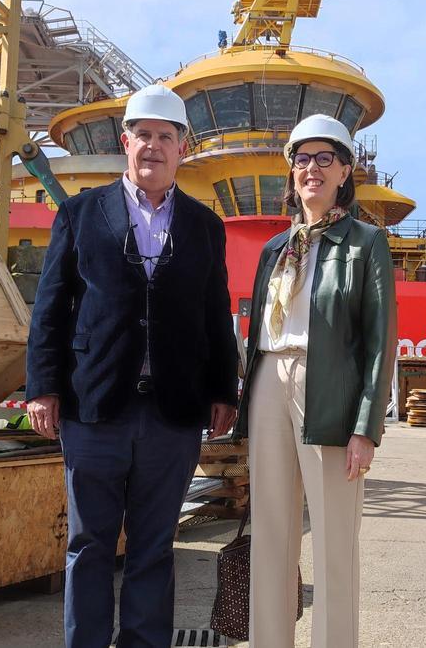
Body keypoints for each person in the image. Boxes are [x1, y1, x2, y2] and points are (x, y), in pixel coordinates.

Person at [25, 83, 239, 648]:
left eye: (165, 137)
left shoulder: (204, 225)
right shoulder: (78, 214)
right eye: (143, 135)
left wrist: (223, 390)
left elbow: (215, 311)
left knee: (152, 547)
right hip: (93, 407)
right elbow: (50, 309)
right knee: (90, 544)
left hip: (172, 411)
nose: (153, 146)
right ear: (126, 142)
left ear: (182, 148)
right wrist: (42, 387)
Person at [234, 114, 397, 648]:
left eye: (325, 158)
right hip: (266, 381)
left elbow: (380, 342)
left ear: (346, 170)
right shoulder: (273, 250)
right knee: (272, 536)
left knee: (333, 540)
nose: (312, 169)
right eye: (302, 159)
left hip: (329, 389)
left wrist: (366, 428)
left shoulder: (366, 243)